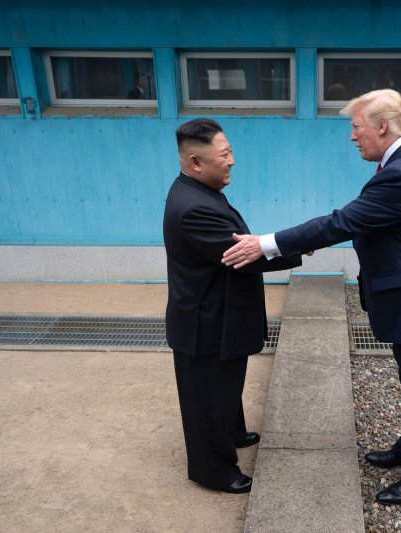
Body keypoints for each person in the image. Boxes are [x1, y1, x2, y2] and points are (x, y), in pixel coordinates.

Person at [221, 89, 401, 505]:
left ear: (382, 126)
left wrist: (265, 243)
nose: (353, 137)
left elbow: (344, 221)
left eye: (356, 127)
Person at [162, 118, 302, 494]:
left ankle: (233, 433)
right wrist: (299, 242)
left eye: (230, 152)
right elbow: (244, 255)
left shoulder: (199, 191)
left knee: (224, 387)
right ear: (195, 162)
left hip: (216, 313)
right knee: (208, 398)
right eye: (224, 155)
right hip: (204, 324)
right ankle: (215, 471)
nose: (232, 161)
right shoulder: (193, 207)